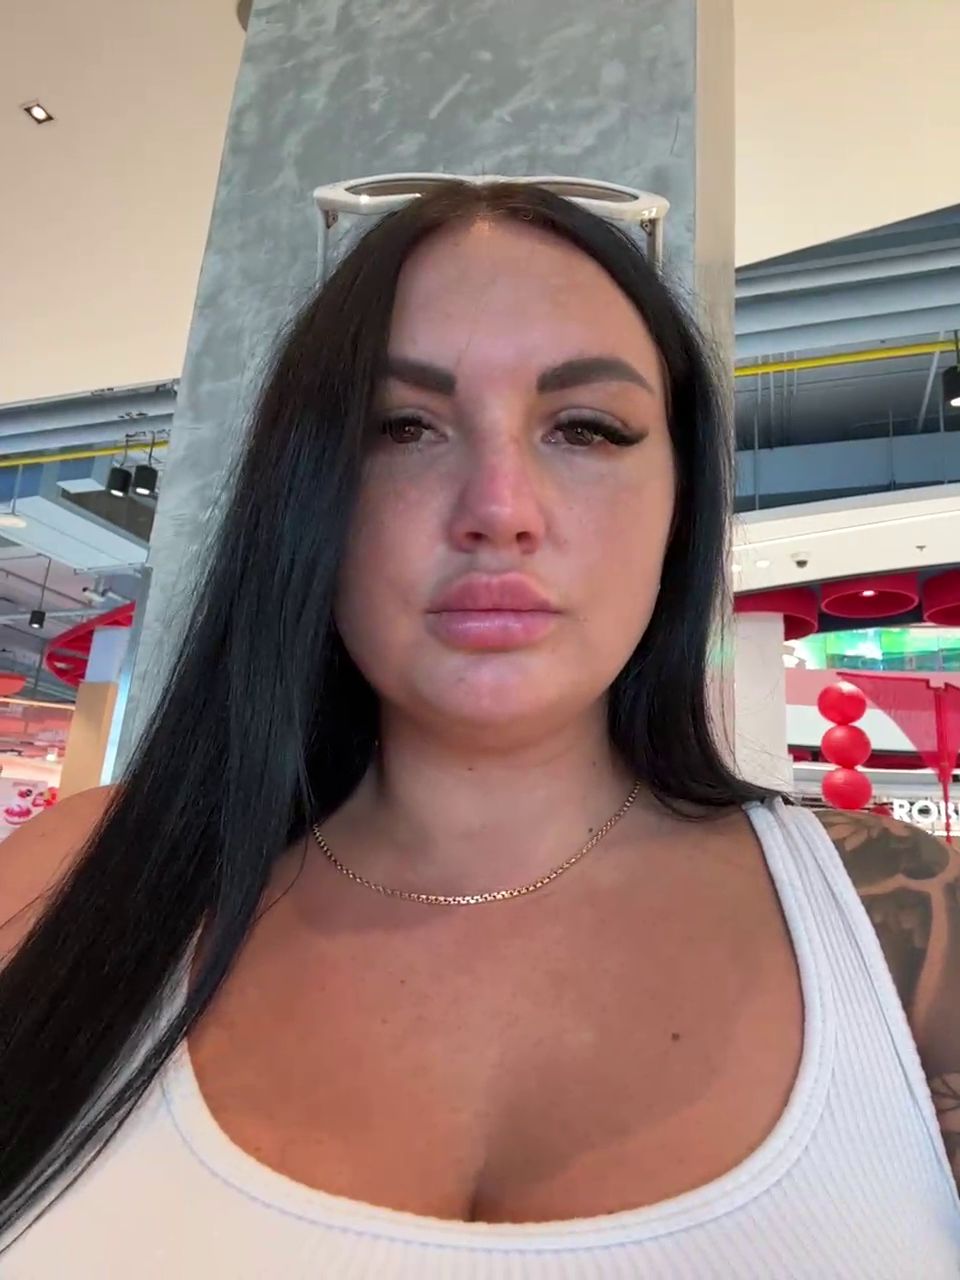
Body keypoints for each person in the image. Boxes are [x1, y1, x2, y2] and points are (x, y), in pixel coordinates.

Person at [0, 181, 957, 1277]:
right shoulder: (66, 885)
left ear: (680, 501)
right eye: (402, 427)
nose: (499, 507)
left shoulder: (906, 925)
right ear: (307, 491)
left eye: (587, 428)